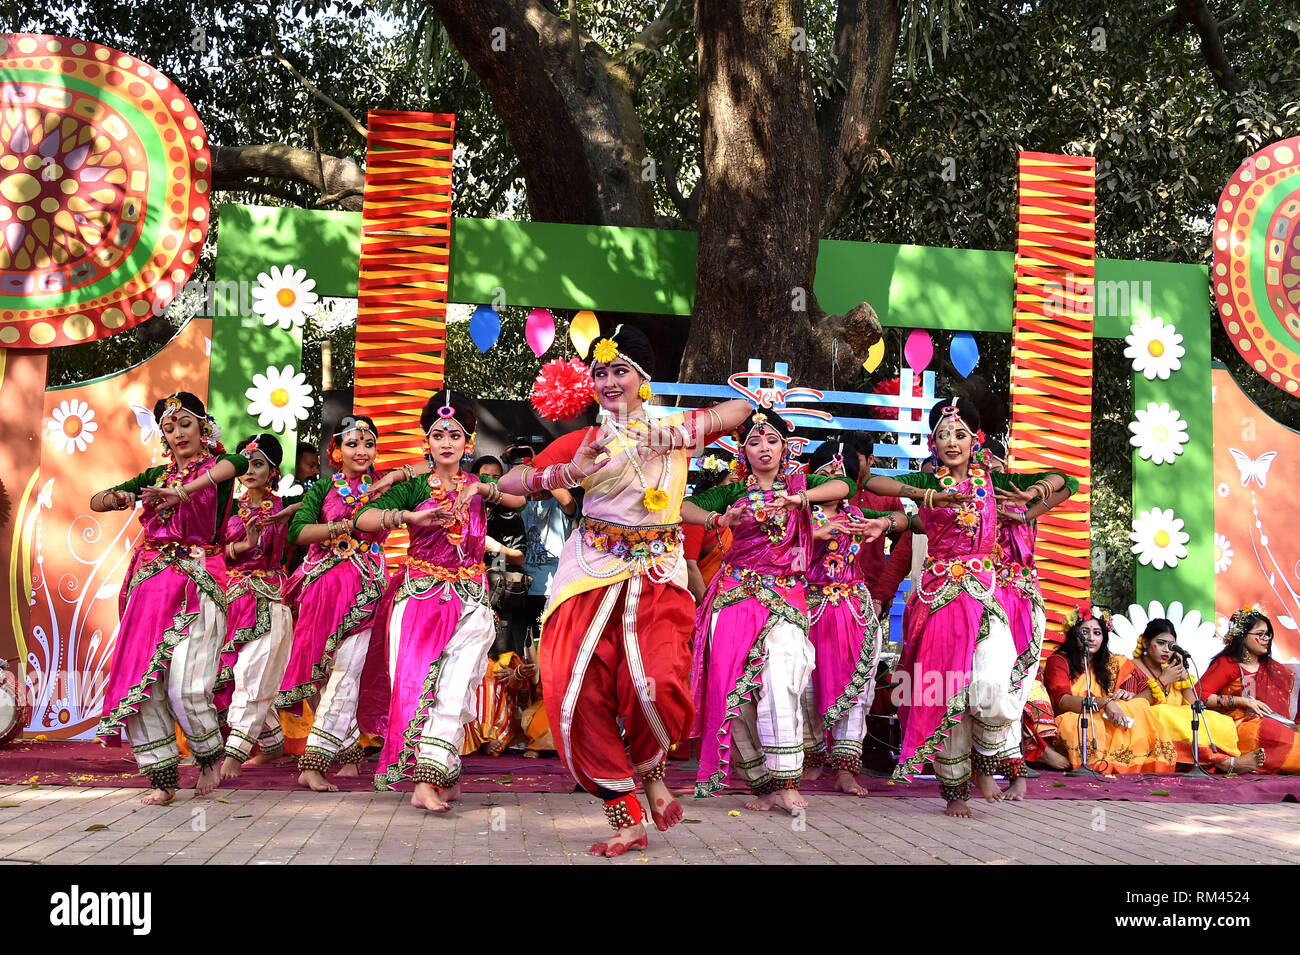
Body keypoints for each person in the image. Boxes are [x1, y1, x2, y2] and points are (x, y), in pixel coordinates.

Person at [497, 323, 754, 857]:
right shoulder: (584, 440)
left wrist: (674, 434)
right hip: (591, 572)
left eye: (621, 372)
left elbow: (740, 410)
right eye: (600, 373)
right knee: (574, 687)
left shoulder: (674, 428)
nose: (610, 382)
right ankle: (626, 812)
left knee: (657, 681)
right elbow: (507, 484)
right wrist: (566, 471)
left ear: (643, 380)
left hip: (656, 574)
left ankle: (653, 772)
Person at [865, 396, 1077, 817]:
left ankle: (987, 760)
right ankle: (955, 790)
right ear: (932, 442)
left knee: (993, 683)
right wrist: (922, 495)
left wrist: (1032, 501)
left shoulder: (990, 481)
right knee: (945, 691)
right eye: (943, 434)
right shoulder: (932, 485)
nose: (952, 441)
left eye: (960, 433)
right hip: (939, 596)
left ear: (975, 439)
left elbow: (1064, 480)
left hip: (984, 595)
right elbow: (871, 482)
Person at [682, 412, 896, 813]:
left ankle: (787, 777)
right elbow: (684, 505)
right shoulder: (734, 492)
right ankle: (759, 782)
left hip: (786, 596)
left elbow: (845, 483)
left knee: (784, 670)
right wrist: (719, 518)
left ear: (785, 448)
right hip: (735, 595)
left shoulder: (801, 484)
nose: (764, 448)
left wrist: (800, 500)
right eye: (754, 442)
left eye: (773, 441)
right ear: (742, 451)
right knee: (732, 692)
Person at [356, 392, 527, 811]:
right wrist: (407, 517)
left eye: (455, 434)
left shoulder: (477, 487)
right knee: (420, 691)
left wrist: (483, 490)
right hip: (421, 599)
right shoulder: (415, 486)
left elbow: (519, 497)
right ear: (426, 442)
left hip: (470, 600)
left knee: (455, 689)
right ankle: (433, 778)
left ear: (469, 442)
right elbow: (364, 519)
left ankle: (436, 779)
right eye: (437, 435)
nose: (446, 442)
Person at [90, 392, 249, 805]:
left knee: (187, 687)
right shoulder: (154, 476)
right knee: (145, 686)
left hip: (198, 583)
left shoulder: (217, 469)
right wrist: (119, 498)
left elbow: (240, 462)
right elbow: (96, 499)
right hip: (151, 587)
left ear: (203, 427)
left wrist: (184, 491)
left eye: (185, 424)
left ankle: (208, 757)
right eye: (169, 428)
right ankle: (162, 778)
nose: (178, 433)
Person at [278, 415, 392, 792]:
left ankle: (314, 761)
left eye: (369, 444)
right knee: (328, 675)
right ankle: (350, 755)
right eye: (352, 444)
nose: (361, 451)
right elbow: (299, 532)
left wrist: (404, 472)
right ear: (336, 450)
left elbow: (429, 473)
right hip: (323, 591)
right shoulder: (324, 488)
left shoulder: (386, 486)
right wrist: (346, 526)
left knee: (347, 672)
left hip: (365, 590)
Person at [801, 441, 890, 797]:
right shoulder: (798, 517)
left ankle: (845, 768)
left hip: (854, 610)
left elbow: (902, 524)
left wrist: (885, 522)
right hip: (807, 608)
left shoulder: (858, 517)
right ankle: (806, 761)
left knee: (857, 689)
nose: (835, 486)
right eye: (826, 477)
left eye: (842, 479)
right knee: (802, 687)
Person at [987, 440, 1072, 788]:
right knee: (986, 684)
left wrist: (1028, 507)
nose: (988, 473)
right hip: (985, 598)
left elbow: (1068, 484)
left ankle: (1015, 768)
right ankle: (983, 766)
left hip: (1023, 600)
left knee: (1019, 683)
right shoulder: (965, 498)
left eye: (993, 465)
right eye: (982, 466)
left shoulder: (1019, 491)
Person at [214, 434, 294, 779]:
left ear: (273, 471)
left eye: (258, 463)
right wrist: (242, 546)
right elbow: (212, 554)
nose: (249, 471)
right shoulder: (226, 509)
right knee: (232, 677)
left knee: (253, 675)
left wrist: (290, 513)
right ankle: (272, 743)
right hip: (230, 601)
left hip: (270, 598)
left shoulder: (286, 508)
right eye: (245, 463)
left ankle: (234, 753)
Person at [1042, 606, 1173, 774]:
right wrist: (1104, 703)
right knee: (1076, 723)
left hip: (1104, 717)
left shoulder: (1112, 663)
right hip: (1073, 716)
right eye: (1084, 632)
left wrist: (1128, 695)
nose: (1091, 638)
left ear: (1103, 638)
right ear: (1073, 634)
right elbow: (1063, 701)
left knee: (1138, 705)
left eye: (1097, 633)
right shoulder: (1059, 661)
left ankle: (1125, 762)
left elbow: (1139, 697)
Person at [1198, 607, 1300, 773]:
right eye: (1260, 634)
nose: (1266, 639)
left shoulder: (1276, 670)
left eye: (1268, 634)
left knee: (1276, 731)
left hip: (1273, 725)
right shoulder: (1228, 664)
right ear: (1242, 636)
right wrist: (1241, 701)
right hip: (1236, 728)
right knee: (1270, 731)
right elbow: (1199, 697)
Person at [682, 456, 736, 602]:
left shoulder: (727, 517)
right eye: (732, 483)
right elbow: (688, 566)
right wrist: (707, 607)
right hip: (701, 604)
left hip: (725, 599)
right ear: (715, 486)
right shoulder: (694, 516)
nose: (735, 490)